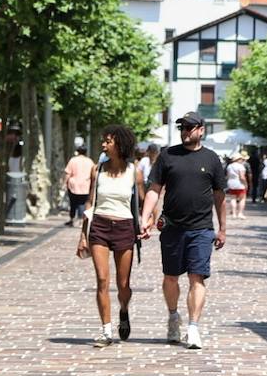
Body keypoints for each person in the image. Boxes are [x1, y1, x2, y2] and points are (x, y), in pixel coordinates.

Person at [140, 111, 227, 349]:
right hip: (172, 228)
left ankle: (193, 328)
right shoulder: (168, 156)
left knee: (196, 277)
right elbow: (154, 189)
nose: (185, 132)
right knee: (170, 277)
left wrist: (222, 229)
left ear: (201, 130)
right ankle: (172, 316)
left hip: (201, 229)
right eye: (182, 128)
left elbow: (220, 196)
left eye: (190, 127)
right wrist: (145, 217)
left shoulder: (211, 159)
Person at [77, 124, 144, 347]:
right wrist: (83, 235)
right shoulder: (97, 170)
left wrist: (147, 221)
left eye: (108, 141)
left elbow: (143, 202)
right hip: (100, 227)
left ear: (120, 144)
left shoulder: (135, 172)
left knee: (123, 284)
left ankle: (123, 309)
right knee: (102, 280)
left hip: (125, 227)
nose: (103, 145)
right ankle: (106, 331)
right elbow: (90, 201)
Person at [62, 145, 95, 227]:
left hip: (73, 185)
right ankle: (81, 221)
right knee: (82, 203)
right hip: (85, 185)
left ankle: (72, 219)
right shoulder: (90, 161)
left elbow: (68, 173)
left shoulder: (73, 160)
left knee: (73, 203)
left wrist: (64, 183)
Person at [225, 152, 249, 220]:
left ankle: (234, 214)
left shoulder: (229, 166)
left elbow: (228, 175)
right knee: (242, 199)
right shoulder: (240, 166)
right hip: (240, 183)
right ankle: (240, 213)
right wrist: (246, 183)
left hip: (231, 183)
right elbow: (242, 177)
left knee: (233, 198)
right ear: (239, 159)